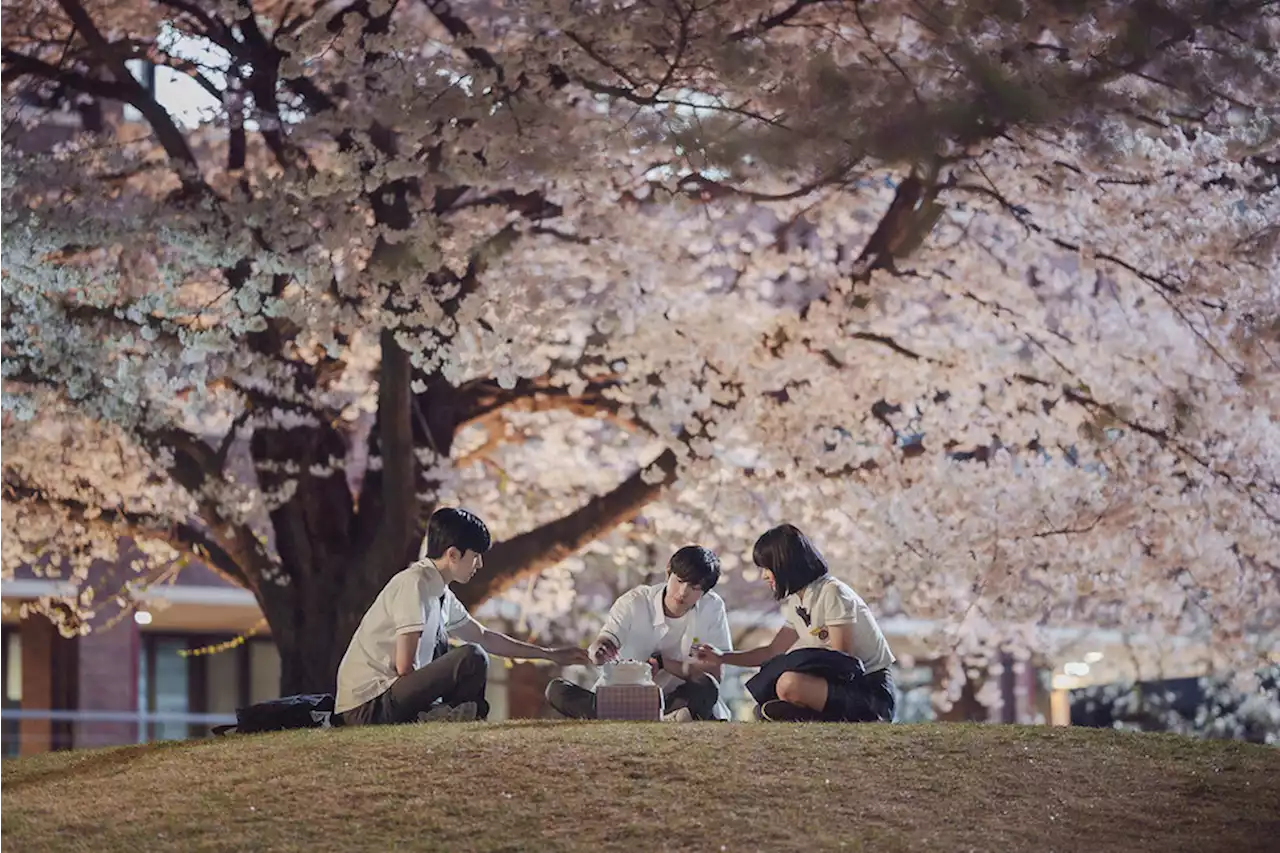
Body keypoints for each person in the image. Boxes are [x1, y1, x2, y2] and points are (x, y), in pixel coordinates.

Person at [336, 507, 590, 725]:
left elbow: (485, 637)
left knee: (476, 656)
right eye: (475, 556)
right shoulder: (414, 584)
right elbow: (405, 668)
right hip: (369, 704)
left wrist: (550, 654)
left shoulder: (440, 591)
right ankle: (449, 717)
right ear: (453, 555)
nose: (479, 564)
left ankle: (455, 719)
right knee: (471, 656)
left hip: (391, 695)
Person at [693, 524, 896, 722]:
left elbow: (843, 663)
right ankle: (807, 718)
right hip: (837, 688)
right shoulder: (799, 599)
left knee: (788, 684)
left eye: (767, 568)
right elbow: (772, 651)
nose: (764, 575)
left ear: (785, 564)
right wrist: (721, 657)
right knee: (774, 695)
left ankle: (841, 719)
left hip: (870, 691)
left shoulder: (832, 592)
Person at [545, 545, 734, 721]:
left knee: (707, 687)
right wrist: (598, 650)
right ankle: (617, 713)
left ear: (705, 592)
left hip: (671, 699)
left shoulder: (712, 607)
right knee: (557, 689)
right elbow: (606, 639)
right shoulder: (635, 601)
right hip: (621, 695)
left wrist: (662, 663)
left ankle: (656, 715)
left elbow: (714, 673)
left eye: (694, 588)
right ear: (668, 571)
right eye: (679, 581)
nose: (683, 592)